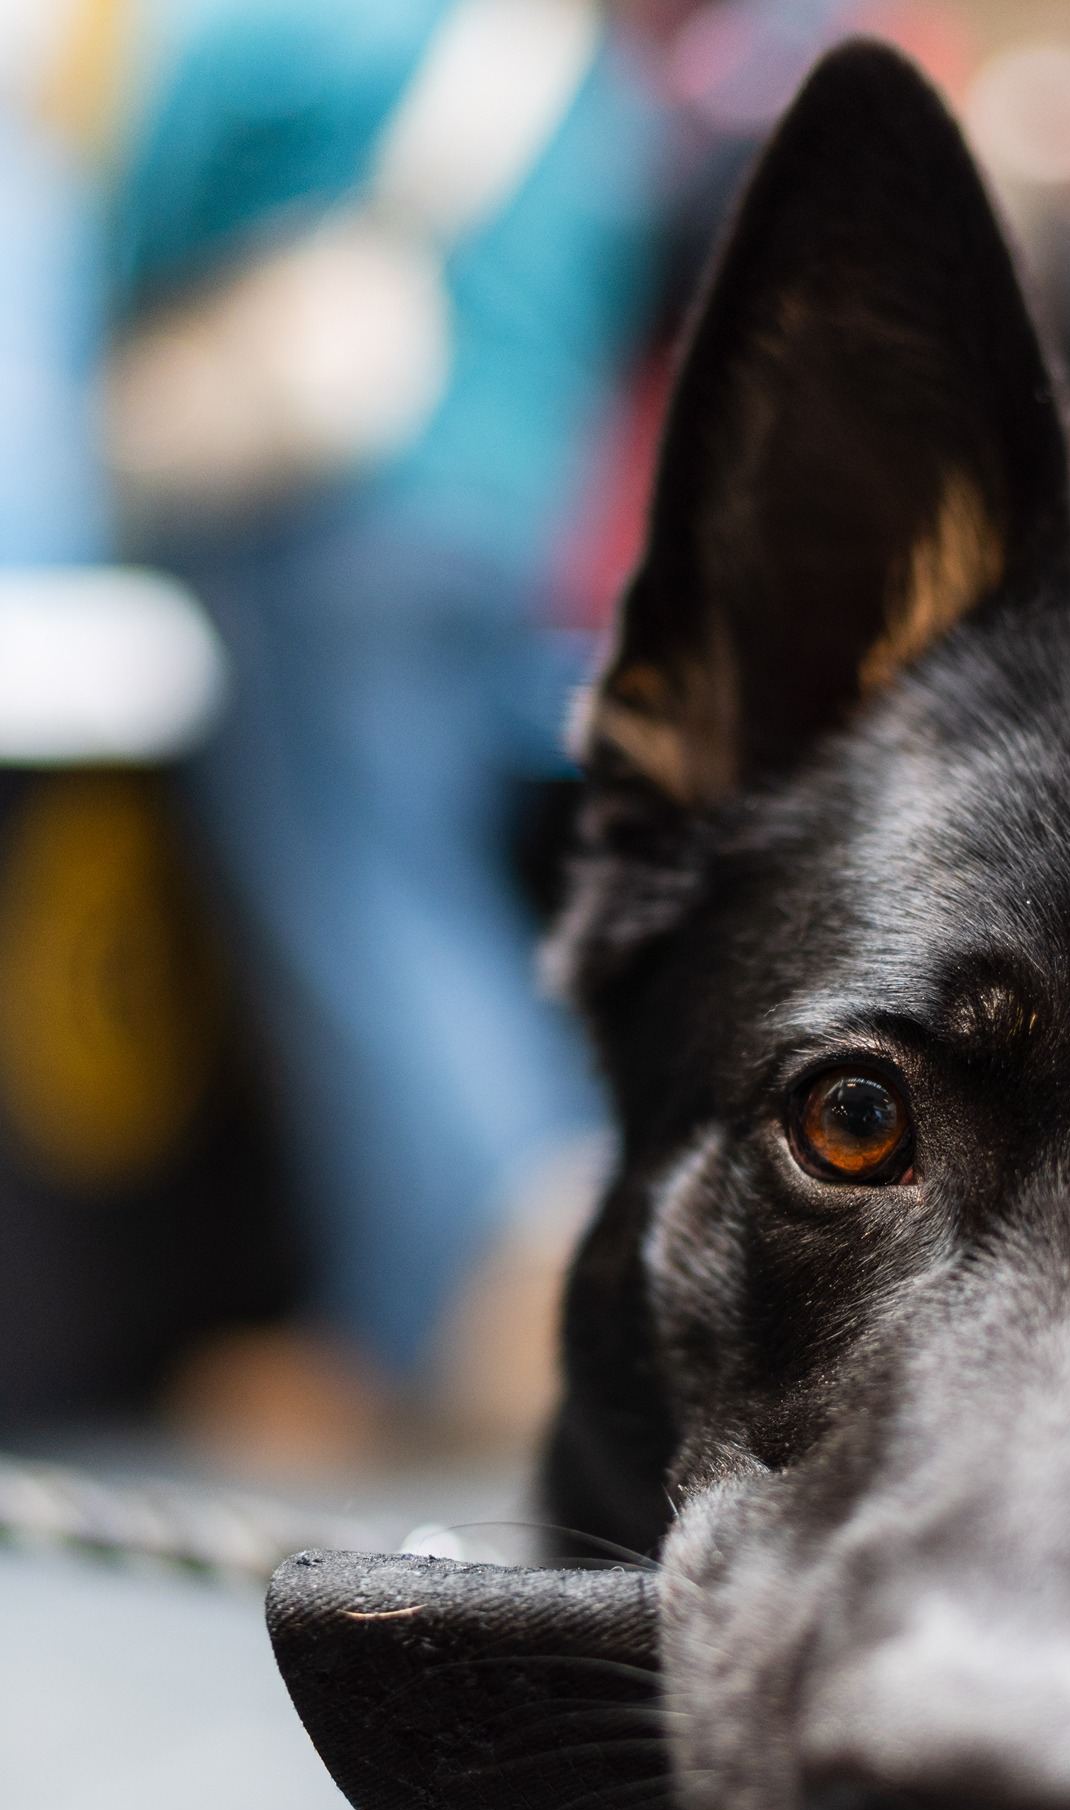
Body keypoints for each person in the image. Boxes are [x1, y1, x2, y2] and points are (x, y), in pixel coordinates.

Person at [107, 0, 662, 1464]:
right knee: (425, 883)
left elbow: (156, 197)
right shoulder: (578, 65)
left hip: (333, 495)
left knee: (351, 906)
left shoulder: (319, 21)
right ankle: (478, 1283)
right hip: (498, 519)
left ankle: (442, 1302)